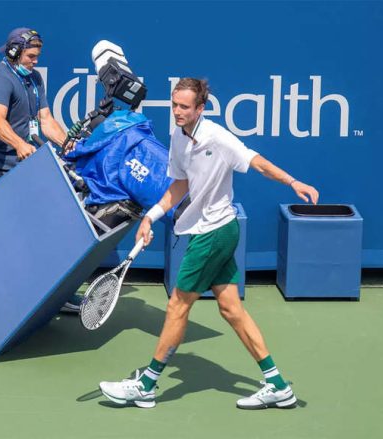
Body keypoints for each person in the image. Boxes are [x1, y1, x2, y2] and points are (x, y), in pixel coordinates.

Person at [98, 78, 320, 409]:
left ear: (200, 108)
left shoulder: (217, 137)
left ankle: (147, 384)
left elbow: (256, 161)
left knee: (177, 306)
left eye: (184, 107)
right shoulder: (177, 135)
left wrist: (292, 181)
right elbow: (179, 185)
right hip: (212, 232)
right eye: (174, 105)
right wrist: (150, 217)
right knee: (231, 309)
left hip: (214, 233)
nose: (177, 112)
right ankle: (277, 384)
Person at [0, 28, 80, 326]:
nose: (35, 61)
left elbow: (46, 121)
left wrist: (70, 146)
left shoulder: (34, 79)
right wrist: (20, 144)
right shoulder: (0, 78)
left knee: (43, 232)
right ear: (13, 53)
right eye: (31, 56)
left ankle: (54, 296)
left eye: (37, 56)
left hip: (23, 169)